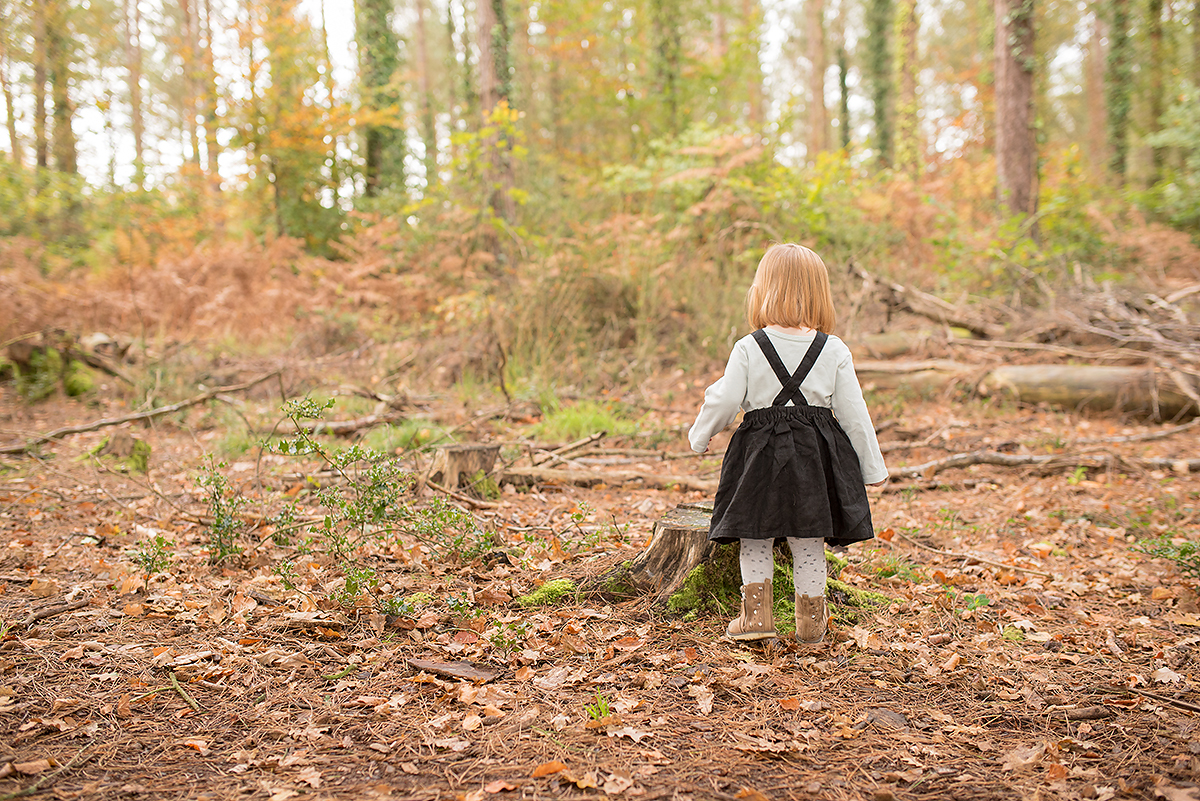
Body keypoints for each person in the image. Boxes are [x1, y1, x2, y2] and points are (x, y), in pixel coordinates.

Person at [688, 243, 888, 645]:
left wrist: (701, 434)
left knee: (754, 535)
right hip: (815, 457)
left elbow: (726, 399)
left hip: (757, 454)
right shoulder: (833, 349)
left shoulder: (749, 346)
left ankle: (755, 617)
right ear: (818, 292)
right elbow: (853, 412)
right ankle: (812, 623)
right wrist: (872, 468)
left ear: (763, 290)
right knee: (809, 539)